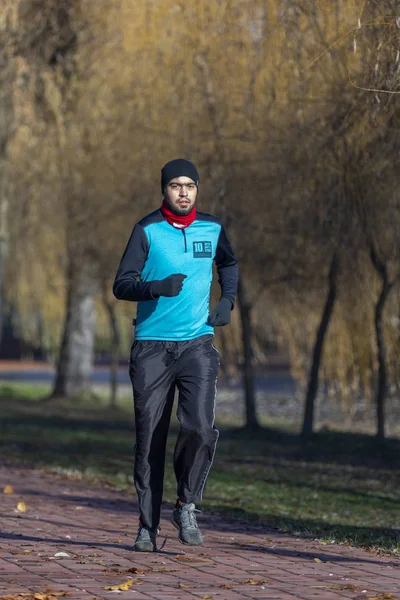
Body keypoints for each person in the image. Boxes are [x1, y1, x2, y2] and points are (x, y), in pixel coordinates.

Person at [113, 158, 238, 552]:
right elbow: (122, 285)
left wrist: (228, 301)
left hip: (197, 344)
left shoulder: (213, 228)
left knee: (201, 427)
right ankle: (147, 527)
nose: (183, 192)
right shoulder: (146, 230)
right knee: (150, 438)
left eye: (190, 185)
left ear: (197, 189)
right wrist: (156, 287)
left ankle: (186, 504)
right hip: (152, 347)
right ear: (164, 190)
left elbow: (229, 263)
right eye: (175, 186)